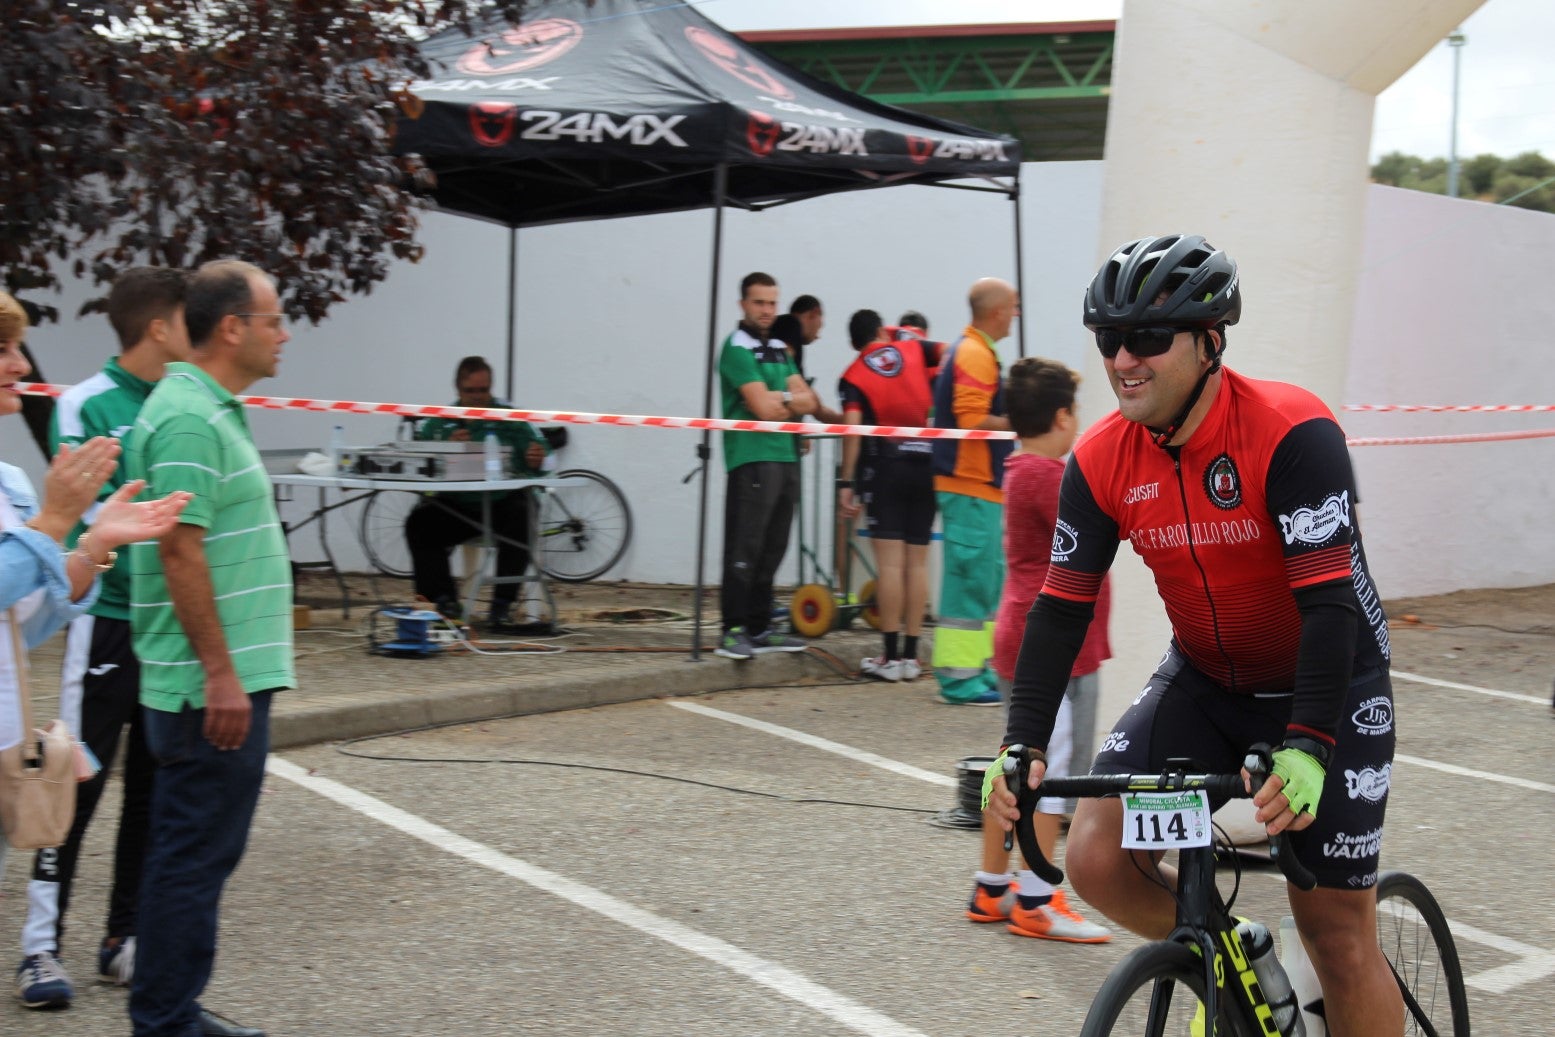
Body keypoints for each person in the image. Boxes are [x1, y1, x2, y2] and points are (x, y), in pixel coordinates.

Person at [988, 235, 1402, 1035]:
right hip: (1206, 681)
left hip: (1330, 684)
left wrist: (1308, 745)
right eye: (1109, 338)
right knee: (1096, 855)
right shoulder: (1099, 458)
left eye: (1147, 336)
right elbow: (1061, 607)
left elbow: (1328, 607)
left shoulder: (1290, 430)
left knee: (1337, 935)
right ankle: (1236, 955)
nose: (1122, 359)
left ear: (1210, 342)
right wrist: (1021, 741)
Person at [1, 292, 189, 1004]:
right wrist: (58, 523)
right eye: (5, 350)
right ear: (157, 325)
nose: (22, 364)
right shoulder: (86, 404)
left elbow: (27, 616)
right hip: (108, 627)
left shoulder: (10, 481)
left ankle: (123, 935)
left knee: (150, 784)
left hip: (153, 625)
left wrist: (93, 545)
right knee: (74, 781)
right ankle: (40, 946)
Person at [126, 259, 297, 1037]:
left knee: (197, 854)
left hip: (218, 680)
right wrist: (221, 673)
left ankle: (174, 1011)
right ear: (232, 327)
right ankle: (165, 1022)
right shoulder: (190, 416)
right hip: (208, 689)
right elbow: (179, 550)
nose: (283, 335)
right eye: (273, 320)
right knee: (190, 858)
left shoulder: (208, 407)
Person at [966, 357, 1110, 943]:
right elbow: (1104, 524)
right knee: (1048, 770)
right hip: (1047, 646)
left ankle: (992, 888)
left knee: (1015, 766)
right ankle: (1037, 897)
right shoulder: (1048, 476)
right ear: (1062, 416)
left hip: (1022, 634)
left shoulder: (1023, 468)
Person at [715, 272, 819, 660]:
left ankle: (759, 627)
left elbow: (808, 401)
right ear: (743, 304)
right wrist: (786, 398)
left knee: (774, 546)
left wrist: (781, 399)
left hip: (786, 455)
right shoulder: (735, 348)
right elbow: (762, 408)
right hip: (751, 456)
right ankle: (732, 630)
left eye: (772, 303)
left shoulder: (778, 347)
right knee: (745, 546)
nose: (766, 310)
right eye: (759, 302)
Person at [403, 355, 548, 627]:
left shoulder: (510, 417)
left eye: (484, 390)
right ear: (458, 389)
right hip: (459, 505)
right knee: (419, 523)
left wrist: (537, 459)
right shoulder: (439, 421)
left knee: (524, 512)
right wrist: (446, 448)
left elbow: (545, 455)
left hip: (501, 503)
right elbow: (420, 460)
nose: (478, 397)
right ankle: (442, 603)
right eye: (470, 391)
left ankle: (502, 605)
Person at [929, 278, 1019, 705]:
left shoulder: (976, 350)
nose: (1017, 314)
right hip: (970, 485)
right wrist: (1022, 421)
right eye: (1014, 306)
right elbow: (971, 419)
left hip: (977, 486)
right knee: (969, 583)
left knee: (983, 582)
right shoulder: (975, 353)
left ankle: (977, 671)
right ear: (997, 312)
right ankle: (960, 680)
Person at [835, 309, 936, 681]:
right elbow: (946, 354)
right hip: (926, 460)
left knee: (891, 566)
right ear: (881, 330)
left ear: (853, 343)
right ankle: (911, 657)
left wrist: (847, 482)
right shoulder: (913, 348)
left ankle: (890, 658)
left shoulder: (853, 374)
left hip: (886, 467)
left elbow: (852, 429)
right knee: (918, 564)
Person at [786, 294, 824, 381]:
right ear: (815, 312)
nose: (817, 336)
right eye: (819, 327)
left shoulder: (784, 328)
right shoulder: (793, 326)